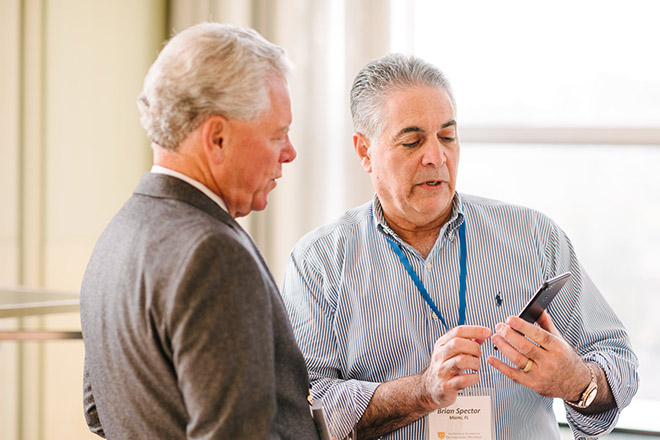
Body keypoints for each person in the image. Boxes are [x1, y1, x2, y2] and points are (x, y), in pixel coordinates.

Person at [281, 53, 639, 440]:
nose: (436, 157)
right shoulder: (318, 262)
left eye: (447, 137)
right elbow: (302, 408)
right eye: (412, 141)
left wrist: (576, 380)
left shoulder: (534, 236)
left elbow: (619, 362)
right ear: (365, 151)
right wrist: (422, 391)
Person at [80, 23, 320, 439]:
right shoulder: (214, 254)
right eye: (278, 134)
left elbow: (98, 412)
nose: (290, 152)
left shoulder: (115, 237)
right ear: (218, 138)